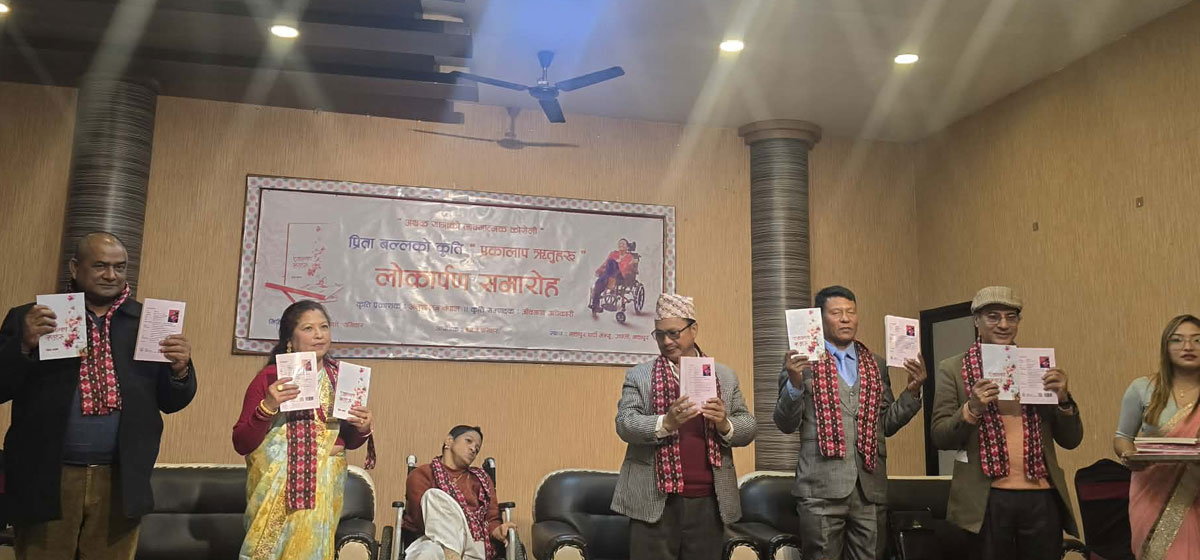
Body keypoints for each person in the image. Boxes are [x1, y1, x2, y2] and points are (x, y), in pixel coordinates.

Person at [0, 231, 197, 560]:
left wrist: (180, 370)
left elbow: (172, 402)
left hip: (120, 478)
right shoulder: (34, 317)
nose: (111, 275)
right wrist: (22, 344)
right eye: (100, 266)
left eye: (119, 267)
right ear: (75, 268)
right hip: (47, 476)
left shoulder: (146, 322)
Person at [773, 285, 926, 560]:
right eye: (836, 313)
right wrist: (794, 384)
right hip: (820, 489)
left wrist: (912, 392)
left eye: (851, 312)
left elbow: (886, 424)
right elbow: (785, 423)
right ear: (819, 319)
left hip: (870, 489)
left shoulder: (876, 364)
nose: (845, 319)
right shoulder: (801, 362)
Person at [931, 286, 1083, 560]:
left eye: (1011, 317)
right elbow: (940, 437)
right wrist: (972, 409)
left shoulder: (1036, 367)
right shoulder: (952, 369)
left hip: (1041, 494)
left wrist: (1063, 400)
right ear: (976, 320)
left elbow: (1071, 440)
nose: (1003, 324)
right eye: (993, 316)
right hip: (985, 498)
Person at [611, 293, 756, 560]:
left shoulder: (723, 376)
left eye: (674, 333)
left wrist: (724, 423)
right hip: (654, 500)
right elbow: (625, 423)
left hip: (709, 500)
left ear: (693, 329)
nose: (667, 341)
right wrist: (665, 423)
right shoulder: (640, 375)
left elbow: (748, 427)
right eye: (660, 335)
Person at [233, 300, 375, 560]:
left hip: (324, 488)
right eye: (308, 328)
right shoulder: (271, 378)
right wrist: (268, 406)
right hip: (277, 488)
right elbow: (242, 442)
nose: (319, 335)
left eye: (324, 327)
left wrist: (362, 428)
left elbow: (347, 440)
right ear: (289, 339)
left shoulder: (341, 378)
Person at [1114, 314, 1200, 560]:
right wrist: (1129, 455)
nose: (1188, 346)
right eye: (1177, 340)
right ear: (1165, 346)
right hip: (1152, 493)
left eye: (1197, 340)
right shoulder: (1142, 388)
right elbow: (1122, 437)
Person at [402, 426, 518, 560]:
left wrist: (498, 531)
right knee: (427, 551)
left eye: (477, 448)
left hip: (473, 542)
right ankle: (452, 553)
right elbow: (420, 517)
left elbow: (492, 518)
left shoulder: (480, 479)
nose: (473, 449)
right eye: (469, 441)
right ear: (449, 441)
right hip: (432, 538)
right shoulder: (422, 474)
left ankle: (451, 554)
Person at [590, 238, 639, 317]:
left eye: (623, 244)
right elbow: (605, 263)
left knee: (612, 262)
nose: (621, 245)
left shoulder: (629, 257)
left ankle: (610, 282)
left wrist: (619, 262)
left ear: (627, 247)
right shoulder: (613, 254)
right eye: (620, 243)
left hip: (621, 275)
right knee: (600, 281)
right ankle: (595, 306)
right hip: (609, 274)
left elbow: (627, 267)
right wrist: (599, 270)